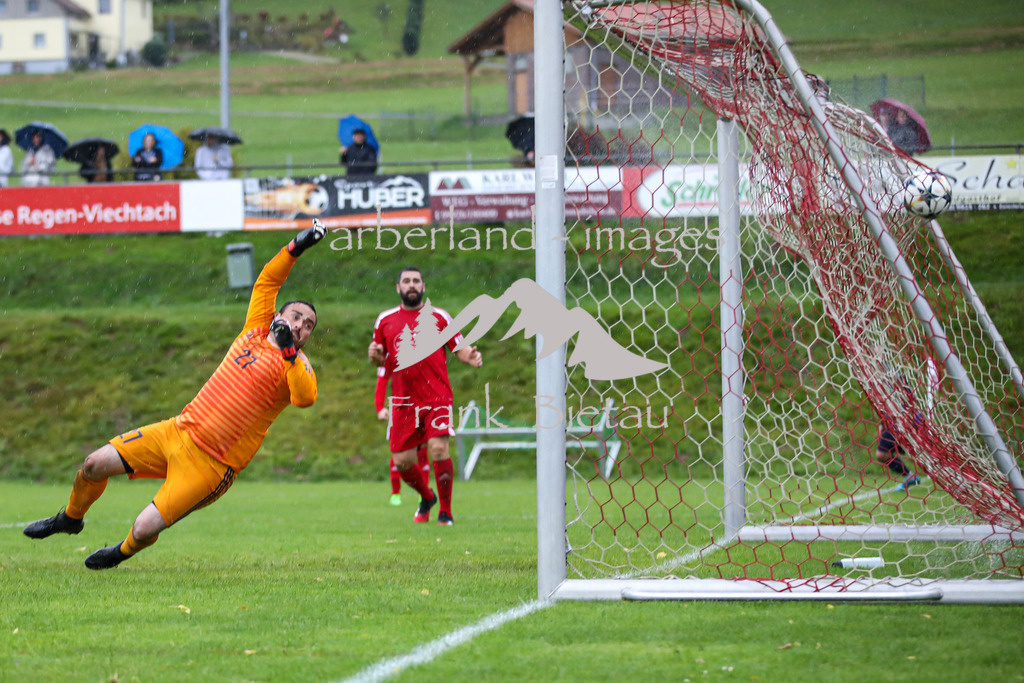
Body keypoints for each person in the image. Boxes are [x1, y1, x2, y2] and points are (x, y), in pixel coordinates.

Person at [22, 220, 328, 570]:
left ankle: (121, 552)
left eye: (309, 326)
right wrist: (295, 247)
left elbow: (305, 398)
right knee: (93, 464)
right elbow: (268, 280)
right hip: (178, 431)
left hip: (213, 465)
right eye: (297, 317)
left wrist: (289, 352)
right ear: (279, 316)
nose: (302, 326)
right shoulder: (256, 327)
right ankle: (70, 519)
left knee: (144, 527)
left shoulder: (297, 364)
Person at [368, 267, 482, 525]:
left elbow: (460, 348)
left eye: (416, 281)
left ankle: (446, 511)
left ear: (423, 286)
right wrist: (374, 356)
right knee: (403, 462)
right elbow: (378, 357)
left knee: (439, 449)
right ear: (398, 287)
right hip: (403, 402)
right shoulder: (384, 320)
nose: (411, 285)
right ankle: (427, 496)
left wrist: (470, 356)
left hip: (437, 397)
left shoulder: (439, 317)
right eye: (406, 281)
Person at [375, 363, 431, 506]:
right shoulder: (391, 347)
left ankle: (423, 492)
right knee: (397, 452)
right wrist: (379, 407)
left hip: (422, 405)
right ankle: (395, 493)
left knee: (423, 450)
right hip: (401, 410)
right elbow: (382, 378)